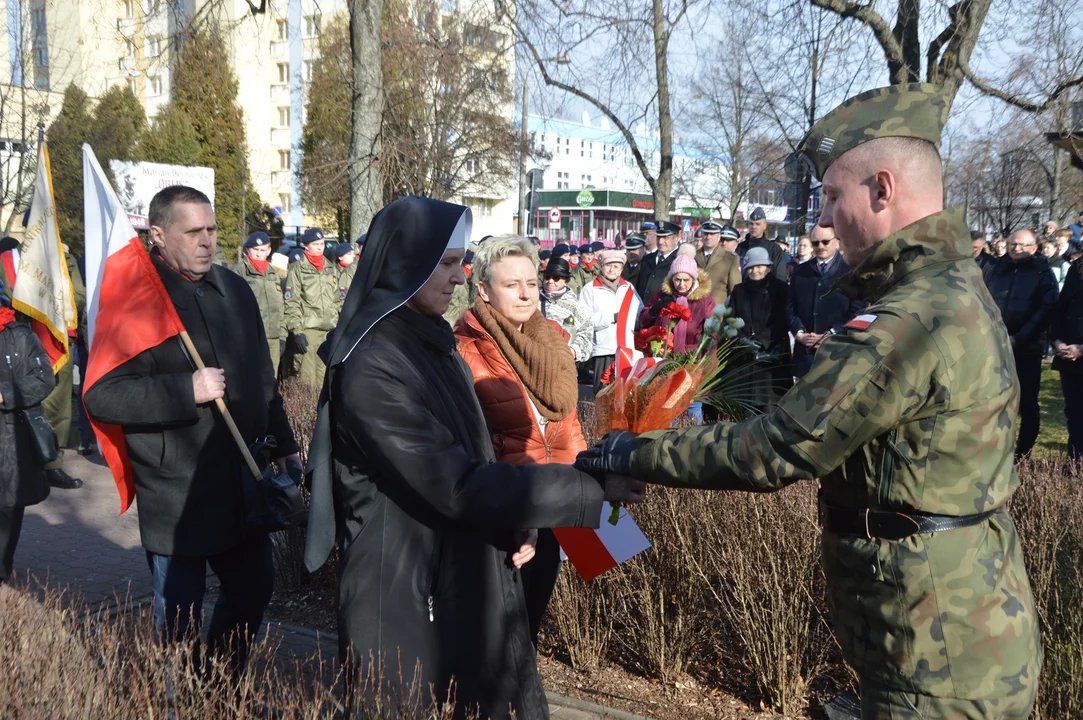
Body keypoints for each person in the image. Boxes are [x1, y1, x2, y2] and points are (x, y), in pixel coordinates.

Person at [577, 83, 1042, 720]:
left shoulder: (912, 319)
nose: (823, 220)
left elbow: (777, 447)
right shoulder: (953, 287)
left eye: (831, 196)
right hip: (957, 618)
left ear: (882, 190)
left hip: (937, 645)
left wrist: (634, 449)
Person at [302, 196, 644, 720]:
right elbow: (454, 481)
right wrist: (591, 492)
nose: (458, 277)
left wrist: (516, 522)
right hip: (403, 583)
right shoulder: (375, 364)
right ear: (403, 263)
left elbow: (477, 453)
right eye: (446, 264)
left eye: (461, 261)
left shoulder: (428, 341)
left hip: (475, 547)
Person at [83, 185, 301, 673]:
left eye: (212, 230)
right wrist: (187, 389)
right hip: (176, 491)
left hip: (242, 479)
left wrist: (284, 443)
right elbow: (102, 394)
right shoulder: (135, 303)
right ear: (158, 235)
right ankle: (179, 700)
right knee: (177, 616)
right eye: (193, 232)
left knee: (252, 589)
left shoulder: (236, 289)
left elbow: (263, 379)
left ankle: (217, 687)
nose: (207, 241)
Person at [454, 236, 588, 648]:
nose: (527, 293)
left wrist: (587, 484)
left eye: (532, 281)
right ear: (483, 291)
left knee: (528, 630)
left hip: (554, 499)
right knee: (494, 641)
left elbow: (569, 422)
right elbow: (469, 445)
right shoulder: (463, 350)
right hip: (503, 512)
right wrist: (510, 510)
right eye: (512, 285)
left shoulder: (552, 341)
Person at [983, 228, 1058, 459]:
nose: (1016, 249)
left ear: (1034, 248)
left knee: (1027, 402)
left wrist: (1019, 338)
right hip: (995, 345)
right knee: (993, 400)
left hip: (1027, 347)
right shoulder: (996, 269)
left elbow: (1046, 309)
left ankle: (1022, 452)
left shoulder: (1042, 272)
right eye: (1013, 244)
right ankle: (994, 449)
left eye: (1023, 245)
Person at [0, 278, 55, 583]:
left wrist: (5, 393)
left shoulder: (19, 336)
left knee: (7, 511)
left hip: (9, 440)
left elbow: (44, 379)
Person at [787, 225, 864, 379]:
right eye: (815, 243)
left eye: (825, 241)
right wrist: (799, 333)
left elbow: (858, 311)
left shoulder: (850, 272)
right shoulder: (800, 271)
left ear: (837, 241)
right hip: (805, 353)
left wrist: (831, 333)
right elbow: (789, 307)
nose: (820, 246)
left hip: (837, 352)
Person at [727, 247, 792, 407]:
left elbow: (784, 319)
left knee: (769, 404)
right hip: (744, 354)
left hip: (771, 354)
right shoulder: (739, 290)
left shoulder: (781, 289)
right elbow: (730, 319)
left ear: (768, 267)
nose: (755, 270)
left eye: (759, 266)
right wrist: (740, 339)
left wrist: (762, 340)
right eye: (750, 267)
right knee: (745, 405)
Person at [579, 249, 642, 394]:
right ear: (601, 266)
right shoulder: (590, 289)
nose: (612, 269)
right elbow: (584, 319)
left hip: (627, 349)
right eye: (608, 265)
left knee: (626, 394)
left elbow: (640, 312)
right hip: (604, 350)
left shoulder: (629, 288)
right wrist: (612, 317)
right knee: (603, 394)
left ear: (621, 269)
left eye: (616, 266)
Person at [283, 227, 339, 388]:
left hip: (329, 330)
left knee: (326, 381)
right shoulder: (298, 269)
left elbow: (336, 300)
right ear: (306, 246)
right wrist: (297, 331)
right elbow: (291, 302)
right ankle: (306, 413)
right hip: (309, 330)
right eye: (316, 244)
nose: (320, 247)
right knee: (307, 380)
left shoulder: (330, 268)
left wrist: (338, 324)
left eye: (322, 243)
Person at [233, 231, 287, 377]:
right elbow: (233, 309)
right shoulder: (238, 272)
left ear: (269, 251)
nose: (258, 254)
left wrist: (282, 335)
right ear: (247, 250)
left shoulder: (273, 274)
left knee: (271, 382)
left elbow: (280, 307)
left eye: (262, 250)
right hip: (251, 338)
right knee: (251, 381)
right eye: (255, 250)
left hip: (273, 338)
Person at [639, 254, 715, 353]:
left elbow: (713, 334)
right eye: (677, 280)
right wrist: (653, 310)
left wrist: (707, 361)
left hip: (691, 357)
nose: (681, 284)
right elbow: (643, 320)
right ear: (672, 279)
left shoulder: (704, 299)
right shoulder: (662, 295)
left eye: (686, 280)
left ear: (693, 279)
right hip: (663, 354)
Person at [1052, 256, 1083, 460]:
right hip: (1069, 357)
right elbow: (1060, 308)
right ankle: (1075, 462)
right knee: (1074, 411)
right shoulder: (1077, 268)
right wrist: (1057, 341)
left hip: (1079, 351)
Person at [539, 257, 594, 363]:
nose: (550, 281)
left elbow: (586, 331)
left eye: (556, 278)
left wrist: (573, 351)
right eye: (547, 277)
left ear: (566, 281)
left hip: (558, 361)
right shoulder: (532, 297)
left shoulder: (573, 304)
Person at [695, 222, 741, 307]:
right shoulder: (692, 256)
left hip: (718, 313)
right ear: (701, 234)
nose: (708, 237)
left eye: (712, 234)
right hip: (694, 313)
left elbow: (735, 291)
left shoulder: (731, 259)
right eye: (705, 233)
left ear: (719, 236)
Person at [634, 220, 681, 302]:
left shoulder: (681, 261)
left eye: (665, 238)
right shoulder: (647, 259)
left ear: (676, 239)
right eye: (659, 237)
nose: (660, 242)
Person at [736, 207, 787, 281]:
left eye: (757, 224)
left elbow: (780, 276)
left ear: (764, 226)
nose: (754, 227)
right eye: (751, 224)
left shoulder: (774, 249)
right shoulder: (740, 247)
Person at [335, 241, 359, 307]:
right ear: (340, 257)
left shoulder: (355, 270)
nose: (353, 256)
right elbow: (341, 296)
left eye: (353, 253)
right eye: (349, 254)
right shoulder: (335, 272)